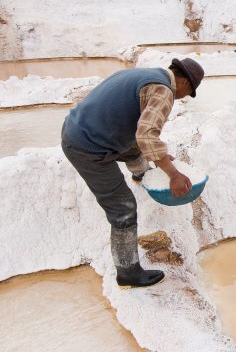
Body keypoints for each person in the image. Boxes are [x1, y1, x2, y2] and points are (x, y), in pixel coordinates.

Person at [61, 58, 204, 288]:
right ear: (185, 81)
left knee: (135, 152)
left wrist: (161, 159)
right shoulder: (164, 91)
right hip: (88, 148)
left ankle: (141, 175)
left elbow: (140, 134)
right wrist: (173, 175)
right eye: (189, 91)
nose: (185, 96)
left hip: (80, 128)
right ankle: (127, 273)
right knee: (124, 210)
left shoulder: (149, 74)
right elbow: (147, 136)